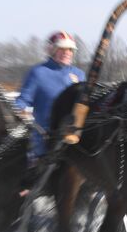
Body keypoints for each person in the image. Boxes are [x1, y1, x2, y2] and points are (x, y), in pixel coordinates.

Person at [16, 30, 86, 159]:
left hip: (75, 140)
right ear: (52, 50)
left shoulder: (79, 74)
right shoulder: (37, 73)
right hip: (47, 140)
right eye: (62, 49)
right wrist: (18, 111)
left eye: (70, 49)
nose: (67, 53)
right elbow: (23, 101)